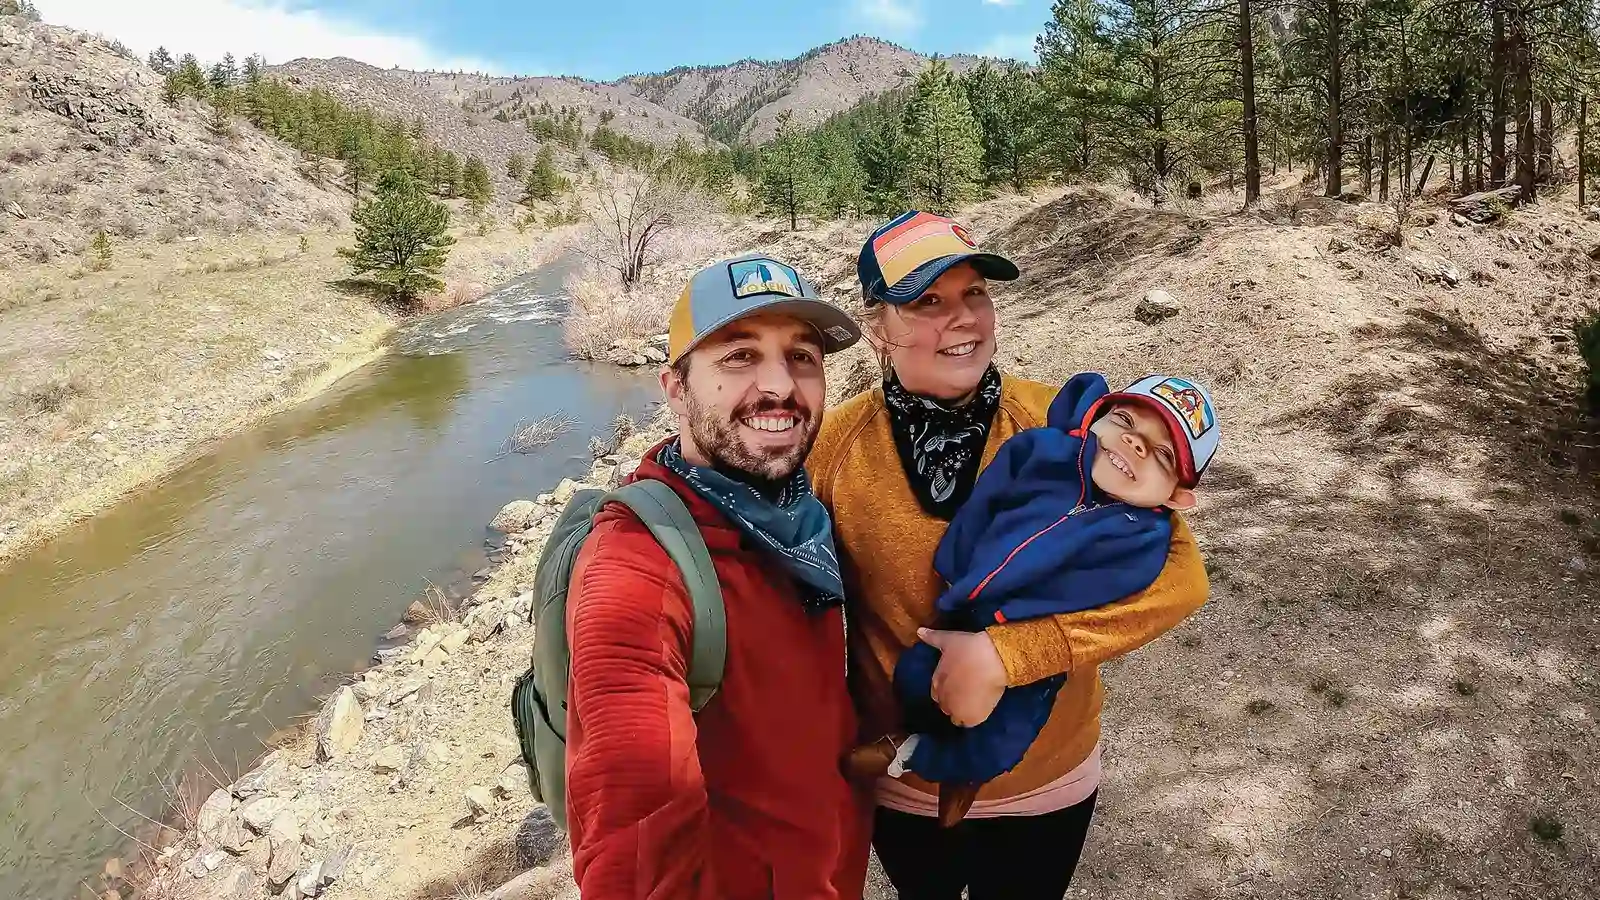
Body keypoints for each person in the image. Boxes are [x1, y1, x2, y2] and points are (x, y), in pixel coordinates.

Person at [806, 211, 1212, 900]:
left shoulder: (1067, 426)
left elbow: (1180, 580)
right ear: (878, 328)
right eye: (927, 303)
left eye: (974, 295)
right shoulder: (833, 447)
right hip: (901, 782)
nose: (962, 320)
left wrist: (1010, 656)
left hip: (1045, 779)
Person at [565, 254, 871, 899]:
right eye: (738, 358)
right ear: (675, 388)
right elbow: (632, 848)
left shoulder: (796, 510)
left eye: (802, 357)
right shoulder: (639, 567)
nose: (779, 386)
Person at [849, 371, 1221, 826]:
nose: (1134, 445)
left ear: (1179, 497)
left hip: (1027, 641)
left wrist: (1011, 645)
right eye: (1125, 421)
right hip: (966, 605)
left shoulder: (1143, 537)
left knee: (1002, 736)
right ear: (1097, 417)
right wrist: (956, 567)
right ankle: (920, 738)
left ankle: (930, 763)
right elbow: (987, 499)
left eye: (1162, 454)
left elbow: (1107, 593)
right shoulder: (1046, 451)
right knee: (913, 678)